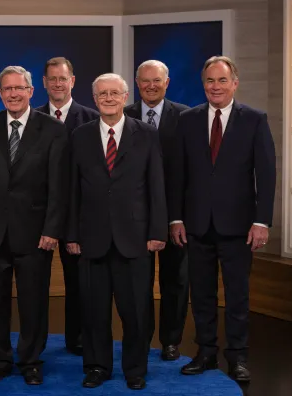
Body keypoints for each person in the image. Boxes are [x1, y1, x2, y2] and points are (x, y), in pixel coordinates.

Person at [168, 56, 276, 383]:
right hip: (196, 225)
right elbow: (178, 174)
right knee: (200, 294)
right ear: (204, 85)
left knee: (237, 295)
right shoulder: (187, 120)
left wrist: (262, 221)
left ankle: (238, 357)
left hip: (239, 226)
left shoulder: (254, 120)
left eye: (222, 81)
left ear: (234, 83)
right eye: (210, 81)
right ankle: (205, 353)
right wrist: (176, 219)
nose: (215, 87)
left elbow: (266, 174)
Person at [0, 66, 68, 386]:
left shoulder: (52, 128)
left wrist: (52, 229)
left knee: (33, 301)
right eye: (7, 89)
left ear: (30, 91)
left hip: (35, 233)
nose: (13, 94)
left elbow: (58, 185)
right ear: (0, 94)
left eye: (19, 88)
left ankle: (30, 360)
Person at [67, 73, 166, 390]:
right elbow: (71, 190)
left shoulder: (146, 134)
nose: (108, 98)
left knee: (136, 310)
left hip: (135, 237)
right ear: (94, 100)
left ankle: (135, 369)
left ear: (125, 97)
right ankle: (97, 366)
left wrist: (157, 230)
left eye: (114, 93)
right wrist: (71, 234)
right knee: (94, 311)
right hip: (91, 238)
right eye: (102, 94)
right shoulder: (80, 136)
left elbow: (156, 187)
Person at [124, 59, 190, 361]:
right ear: (137, 84)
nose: (151, 86)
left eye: (157, 80)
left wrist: (178, 216)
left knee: (175, 280)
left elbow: (192, 170)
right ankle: (142, 337)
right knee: (139, 282)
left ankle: (171, 340)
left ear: (167, 82)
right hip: (137, 215)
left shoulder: (187, 117)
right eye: (145, 81)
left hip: (175, 213)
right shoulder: (123, 116)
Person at [34, 56, 99, 356]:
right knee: (35, 282)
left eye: (63, 78)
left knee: (79, 284)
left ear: (72, 81)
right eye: (52, 79)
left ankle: (78, 339)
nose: (58, 84)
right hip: (38, 216)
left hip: (78, 216)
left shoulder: (91, 118)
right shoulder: (30, 118)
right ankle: (35, 343)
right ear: (44, 83)